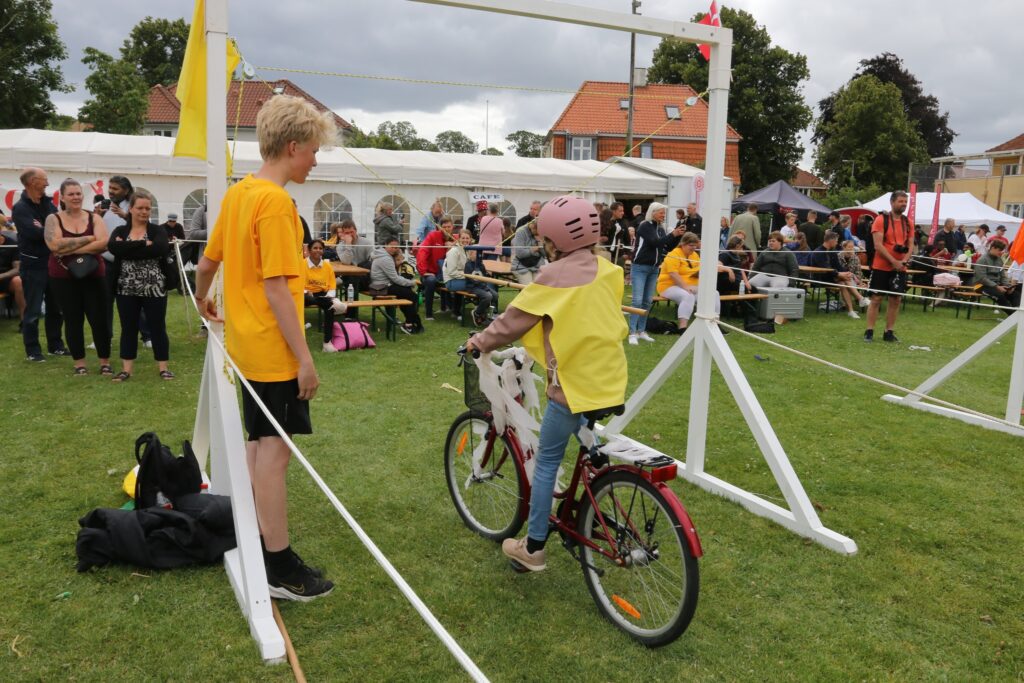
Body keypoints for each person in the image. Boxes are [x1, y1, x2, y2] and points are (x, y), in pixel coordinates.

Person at [193, 94, 337, 601]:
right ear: (293, 146)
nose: (316, 160)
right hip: (273, 352)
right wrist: (305, 359)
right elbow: (279, 286)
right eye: (314, 150)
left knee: (259, 447)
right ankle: (279, 564)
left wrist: (202, 299)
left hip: (245, 347)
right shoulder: (275, 203)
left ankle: (259, 541)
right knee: (274, 456)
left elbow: (207, 262)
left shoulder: (239, 194)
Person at [465, 195, 627, 572]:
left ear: (554, 239)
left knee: (547, 461)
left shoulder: (555, 275)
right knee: (585, 438)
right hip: (610, 378)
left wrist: (479, 342)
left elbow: (512, 321)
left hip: (572, 384)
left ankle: (533, 548)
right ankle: (595, 484)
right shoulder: (607, 268)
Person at [44, 179, 112, 375]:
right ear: (63, 197)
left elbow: (103, 243)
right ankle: (79, 364)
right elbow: (54, 246)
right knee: (73, 319)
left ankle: (104, 362)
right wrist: (90, 239)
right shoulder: (53, 219)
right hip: (63, 277)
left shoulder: (94, 218)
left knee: (99, 319)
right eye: (71, 194)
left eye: (78, 193)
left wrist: (70, 247)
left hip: (93, 275)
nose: (76, 197)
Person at [107, 190, 173, 381]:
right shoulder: (120, 232)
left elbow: (160, 248)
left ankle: (163, 368)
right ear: (131, 209)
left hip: (154, 287)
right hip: (125, 287)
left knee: (157, 326)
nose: (144, 212)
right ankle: (126, 369)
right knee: (128, 327)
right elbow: (114, 248)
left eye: (148, 208)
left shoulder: (158, 231)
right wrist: (145, 246)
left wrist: (127, 249)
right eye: (140, 208)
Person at [12, 167, 66, 361]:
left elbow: (58, 226)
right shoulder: (20, 208)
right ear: (33, 182)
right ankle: (33, 351)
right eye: (44, 180)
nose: (48, 184)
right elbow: (35, 234)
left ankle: (55, 345)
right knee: (33, 310)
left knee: (56, 308)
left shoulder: (48, 203)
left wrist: (48, 230)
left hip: (52, 263)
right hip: (33, 266)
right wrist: (48, 230)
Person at [628, 202, 684, 344]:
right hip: (640, 267)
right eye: (661, 212)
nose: (663, 215)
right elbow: (655, 242)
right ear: (653, 212)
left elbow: (667, 246)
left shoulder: (660, 228)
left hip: (653, 269)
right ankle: (632, 332)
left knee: (647, 301)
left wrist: (676, 236)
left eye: (664, 213)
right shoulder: (645, 225)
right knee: (637, 301)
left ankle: (642, 331)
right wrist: (672, 234)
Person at [864, 190, 913, 343]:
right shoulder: (880, 220)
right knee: (876, 298)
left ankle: (889, 332)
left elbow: (910, 245)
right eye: (900, 201)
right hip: (881, 266)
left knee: (896, 300)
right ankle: (869, 330)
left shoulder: (908, 222)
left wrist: (904, 260)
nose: (903, 204)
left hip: (900, 268)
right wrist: (893, 261)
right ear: (892, 202)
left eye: (905, 202)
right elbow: (878, 245)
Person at [657, 233, 724, 333]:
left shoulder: (694, 255)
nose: (693, 248)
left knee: (714, 293)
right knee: (688, 295)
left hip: (691, 286)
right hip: (669, 286)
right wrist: (686, 287)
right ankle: (682, 328)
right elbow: (673, 274)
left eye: (695, 245)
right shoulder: (673, 255)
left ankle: (715, 324)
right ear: (683, 244)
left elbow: (699, 269)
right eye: (691, 245)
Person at [369, 237, 423, 333]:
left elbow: (395, 278)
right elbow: (395, 278)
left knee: (407, 295)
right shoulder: (386, 258)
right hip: (382, 287)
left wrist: (408, 284)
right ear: (386, 245)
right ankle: (410, 324)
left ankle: (411, 322)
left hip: (382, 285)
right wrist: (412, 282)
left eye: (396, 247)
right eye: (392, 246)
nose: (394, 248)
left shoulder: (382, 255)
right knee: (412, 296)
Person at [443, 229, 494, 327]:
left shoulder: (467, 250)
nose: (465, 240)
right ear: (459, 239)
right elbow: (452, 272)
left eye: (467, 238)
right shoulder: (454, 251)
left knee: (479, 284)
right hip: (451, 281)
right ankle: (479, 313)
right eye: (463, 238)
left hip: (462, 278)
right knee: (477, 284)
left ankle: (482, 312)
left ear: (470, 239)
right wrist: (469, 275)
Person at [303, 239, 346, 351]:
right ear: (309, 250)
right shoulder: (301, 265)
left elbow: (332, 286)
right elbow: (296, 285)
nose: (318, 250)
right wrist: (306, 292)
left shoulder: (327, 266)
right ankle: (334, 303)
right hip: (306, 295)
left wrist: (329, 297)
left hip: (323, 295)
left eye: (320, 248)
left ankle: (327, 343)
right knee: (328, 303)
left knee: (329, 307)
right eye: (315, 248)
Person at [809, 230, 862, 319]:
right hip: (820, 278)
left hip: (832, 277)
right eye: (836, 240)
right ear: (831, 241)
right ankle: (859, 299)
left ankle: (851, 310)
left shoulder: (832, 252)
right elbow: (826, 269)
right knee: (843, 280)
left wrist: (846, 272)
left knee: (843, 282)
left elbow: (838, 266)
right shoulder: (819, 252)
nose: (837, 242)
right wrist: (841, 274)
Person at [415, 216, 455, 319]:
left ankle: (455, 310)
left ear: (452, 227)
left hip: (447, 274)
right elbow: (422, 252)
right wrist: (423, 271)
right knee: (431, 281)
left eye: (449, 226)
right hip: (431, 273)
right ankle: (429, 314)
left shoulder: (456, 239)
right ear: (439, 227)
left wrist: (453, 246)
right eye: (444, 227)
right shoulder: (432, 236)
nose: (446, 229)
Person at [972, 241, 1020, 310]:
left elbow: (1003, 275)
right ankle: (1012, 316)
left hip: (996, 285)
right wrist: (997, 286)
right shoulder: (982, 260)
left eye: (1002, 250)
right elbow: (981, 278)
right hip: (980, 286)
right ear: (993, 248)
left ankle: (1018, 314)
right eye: (999, 250)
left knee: (1015, 294)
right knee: (999, 296)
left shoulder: (999, 260)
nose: (1001, 252)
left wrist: (1008, 286)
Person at [510, 211, 546, 285]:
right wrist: (535, 249)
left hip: (537, 266)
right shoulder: (520, 232)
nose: (539, 233)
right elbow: (520, 253)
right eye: (537, 232)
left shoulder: (541, 232)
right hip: (521, 267)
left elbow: (545, 254)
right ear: (532, 226)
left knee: (538, 289)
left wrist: (539, 241)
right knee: (529, 288)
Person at [0, 231, 25, 320]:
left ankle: (24, 320)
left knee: (18, 281)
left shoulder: (12, 244)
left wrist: (1, 276)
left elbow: (17, 269)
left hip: (6, 278)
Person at [838, 239, 870, 307]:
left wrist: (859, 282)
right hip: (840, 278)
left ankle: (846, 305)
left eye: (852, 247)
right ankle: (860, 299)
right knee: (844, 281)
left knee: (847, 282)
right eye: (849, 247)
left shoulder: (855, 258)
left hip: (852, 279)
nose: (851, 249)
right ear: (844, 247)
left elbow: (858, 271)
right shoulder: (838, 257)